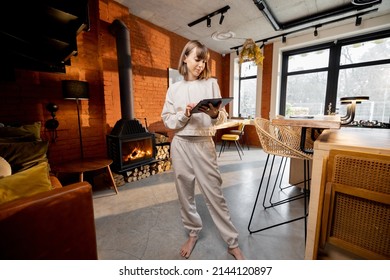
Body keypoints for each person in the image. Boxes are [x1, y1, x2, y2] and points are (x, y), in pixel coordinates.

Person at [161, 40, 245, 260]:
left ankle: (232, 242)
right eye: (197, 59)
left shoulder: (211, 84)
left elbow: (220, 119)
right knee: (185, 194)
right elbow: (168, 121)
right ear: (185, 57)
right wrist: (185, 115)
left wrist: (215, 114)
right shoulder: (174, 88)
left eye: (204, 61)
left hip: (203, 143)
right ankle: (192, 233)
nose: (200, 65)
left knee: (215, 194)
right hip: (180, 145)